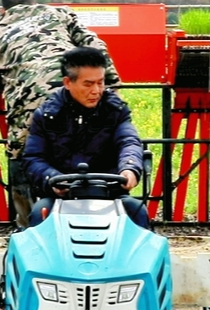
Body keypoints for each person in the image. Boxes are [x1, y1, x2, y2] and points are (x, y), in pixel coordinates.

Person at [0, 0, 120, 227]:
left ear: (2, 10)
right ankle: (94, 222)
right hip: (77, 91)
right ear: (34, 1)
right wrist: (109, 85)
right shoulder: (59, 13)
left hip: (29, 104)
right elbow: (95, 46)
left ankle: (27, 227)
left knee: (21, 155)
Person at [23, 46, 149, 229]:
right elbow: (33, 158)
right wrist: (53, 179)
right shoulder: (47, 115)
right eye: (88, 84)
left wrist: (129, 168)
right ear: (67, 82)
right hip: (62, 196)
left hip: (109, 193)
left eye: (101, 82)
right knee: (40, 213)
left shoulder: (115, 111)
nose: (96, 91)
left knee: (136, 210)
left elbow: (128, 141)